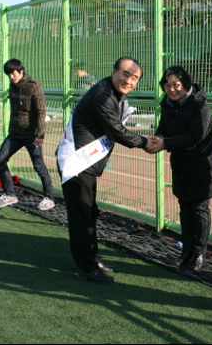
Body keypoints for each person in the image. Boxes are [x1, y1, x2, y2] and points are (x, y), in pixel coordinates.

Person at [57, 57, 156, 284]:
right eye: (125, 74)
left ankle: (91, 258)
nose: (129, 81)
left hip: (87, 164)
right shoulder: (103, 96)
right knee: (81, 215)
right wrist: (144, 142)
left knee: (89, 212)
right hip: (77, 162)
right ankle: (87, 268)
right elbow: (117, 131)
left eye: (135, 78)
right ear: (114, 72)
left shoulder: (113, 93)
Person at [147, 66, 212, 271]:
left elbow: (196, 135)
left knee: (199, 209)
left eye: (176, 85)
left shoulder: (199, 104)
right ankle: (186, 252)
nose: (171, 89)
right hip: (180, 164)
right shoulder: (167, 104)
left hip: (201, 164)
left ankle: (199, 254)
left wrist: (166, 144)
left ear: (186, 84)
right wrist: (158, 139)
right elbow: (163, 128)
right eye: (167, 85)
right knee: (184, 208)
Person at [0, 59, 55, 210]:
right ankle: (10, 194)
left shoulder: (34, 86)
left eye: (13, 74)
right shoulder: (12, 86)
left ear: (21, 71)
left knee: (39, 166)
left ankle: (49, 198)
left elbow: (41, 112)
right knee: (0, 160)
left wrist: (40, 135)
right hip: (15, 133)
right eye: (8, 75)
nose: (11, 77)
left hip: (32, 135)